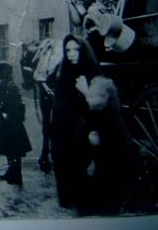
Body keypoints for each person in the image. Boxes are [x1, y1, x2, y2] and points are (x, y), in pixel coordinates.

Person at [50, 34, 101, 209]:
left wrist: (87, 92)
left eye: (76, 49)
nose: (71, 54)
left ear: (83, 51)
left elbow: (101, 109)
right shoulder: (65, 72)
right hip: (64, 130)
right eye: (68, 50)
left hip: (84, 130)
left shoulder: (93, 74)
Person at [76, 76, 136, 215]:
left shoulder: (109, 118)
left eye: (94, 96)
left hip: (109, 160)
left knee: (100, 182)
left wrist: (94, 159)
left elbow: (110, 146)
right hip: (99, 155)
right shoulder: (96, 112)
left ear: (105, 98)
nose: (90, 99)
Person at [0, 62, 32, 186]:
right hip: (8, 125)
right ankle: (12, 173)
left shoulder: (8, 85)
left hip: (10, 126)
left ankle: (16, 175)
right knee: (11, 151)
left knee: (13, 151)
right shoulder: (6, 84)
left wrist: (5, 115)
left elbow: (16, 105)